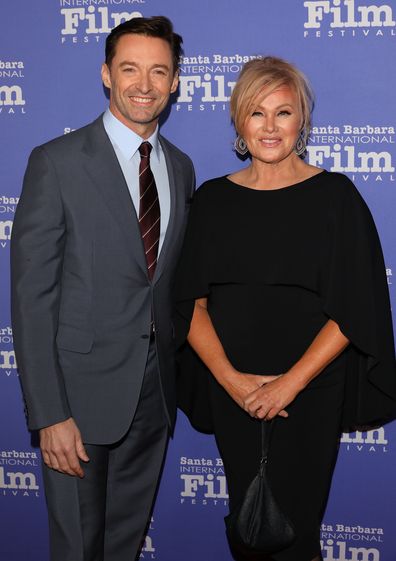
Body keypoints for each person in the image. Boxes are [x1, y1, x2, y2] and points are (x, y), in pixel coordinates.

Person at [174, 56, 396, 561]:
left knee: (295, 530)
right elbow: (188, 305)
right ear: (238, 120)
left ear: (302, 121)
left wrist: (287, 385)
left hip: (309, 395)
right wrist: (236, 383)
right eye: (256, 113)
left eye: (283, 112)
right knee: (249, 526)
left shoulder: (335, 197)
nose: (269, 127)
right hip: (236, 394)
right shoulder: (212, 200)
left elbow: (354, 309)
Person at [11, 16, 195, 561]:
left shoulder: (180, 169)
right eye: (130, 69)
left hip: (154, 396)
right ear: (106, 75)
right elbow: (32, 298)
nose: (144, 84)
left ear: (176, 81)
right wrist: (49, 413)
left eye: (158, 71)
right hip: (76, 403)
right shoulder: (56, 163)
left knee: (123, 546)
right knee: (77, 549)